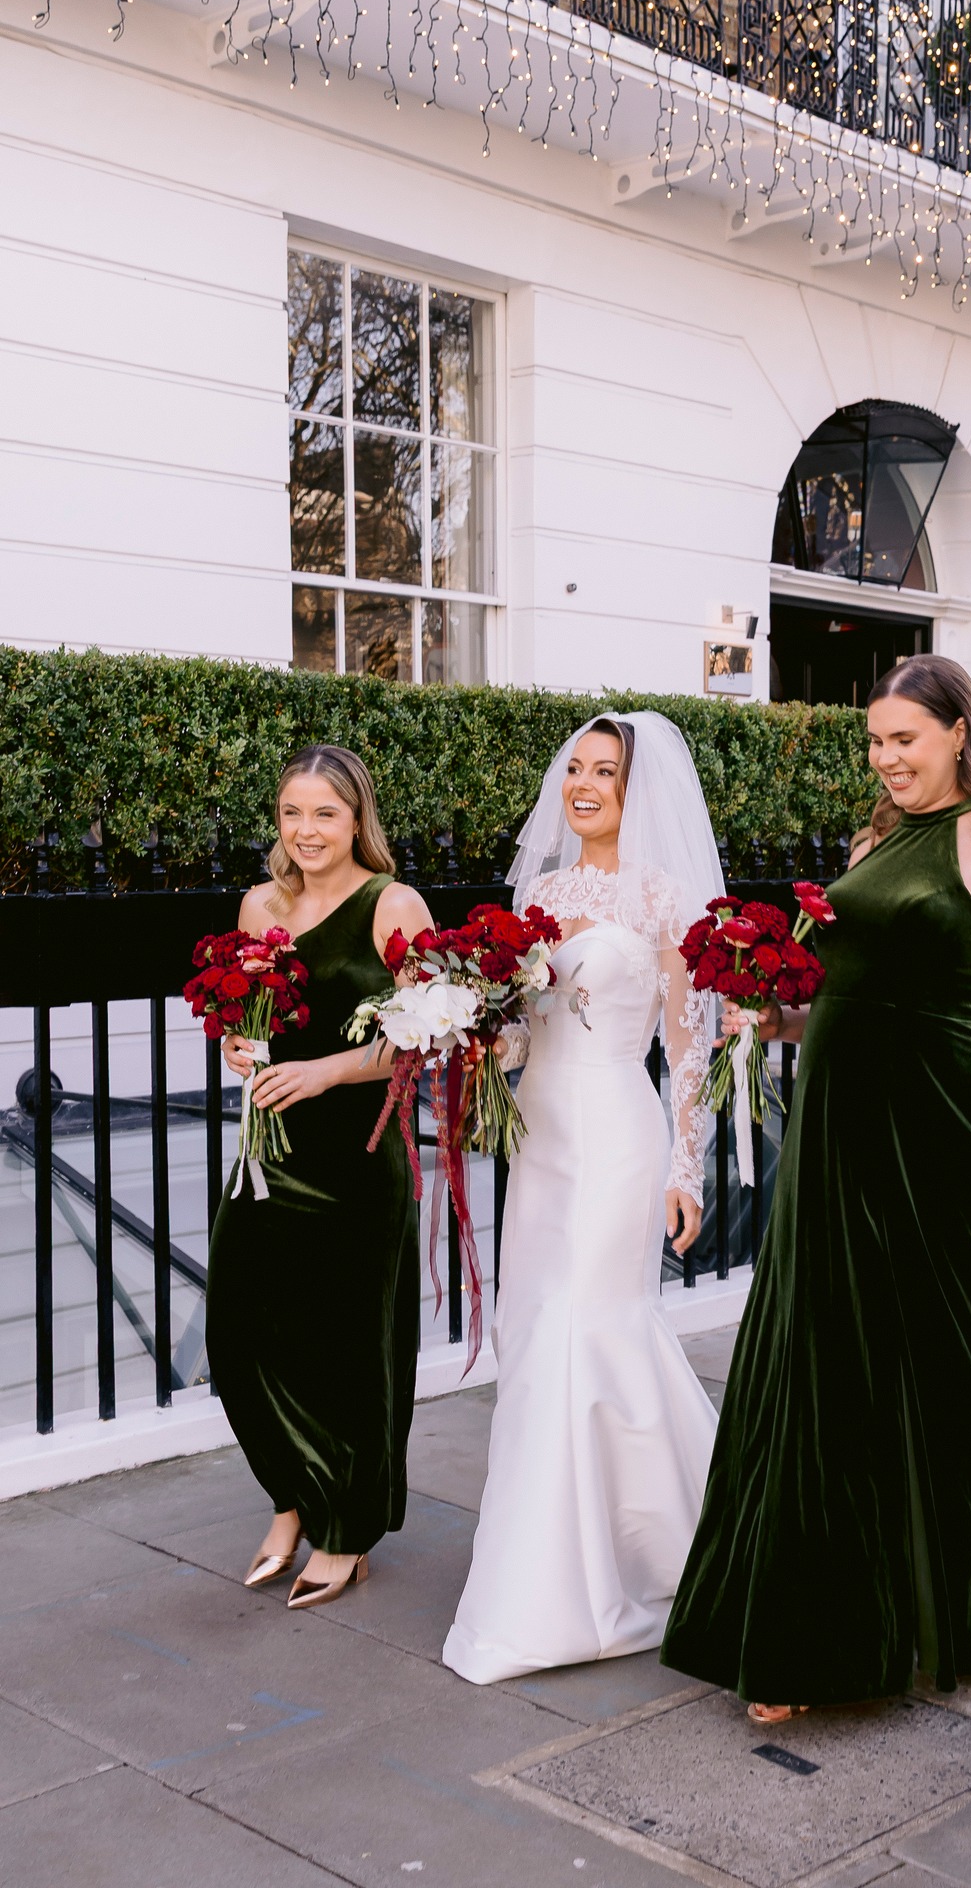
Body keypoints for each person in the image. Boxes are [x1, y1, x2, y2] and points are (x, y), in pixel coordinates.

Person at [662, 655, 971, 1718]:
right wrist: (777, 1016)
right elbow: (847, 988)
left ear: (960, 733)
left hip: (939, 1131)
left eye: (905, 740)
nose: (887, 760)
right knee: (820, 1357)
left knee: (942, 1362)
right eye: (876, 742)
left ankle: (962, 1610)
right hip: (835, 1130)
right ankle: (807, 1630)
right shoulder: (871, 840)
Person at [443, 713, 722, 1684]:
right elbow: (526, 1031)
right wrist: (469, 1027)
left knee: (590, 1328)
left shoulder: (663, 894)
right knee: (539, 1337)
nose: (586, 784)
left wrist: (688, 1166)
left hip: (616, 1134)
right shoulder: (544, 890)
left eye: (606, 771)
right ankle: (555, 1565)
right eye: (576, 769)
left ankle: (646, 1564)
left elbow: (691, 1039)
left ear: (636, 788)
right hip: (545, 1134)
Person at [208, 744, 433, 1609]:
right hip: (269, 1153)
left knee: (347, 1345)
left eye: (325, 815)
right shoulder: (260, 902)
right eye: (293, 814)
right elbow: (246, 1013)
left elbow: (426, 1033)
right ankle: (292, 1496)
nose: (306, 831)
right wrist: (238, 1042)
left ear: (356, 820)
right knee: (240, 1328)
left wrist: (328, 1072)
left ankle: (347, 1528)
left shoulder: (392, 904)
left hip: (356, 1153)